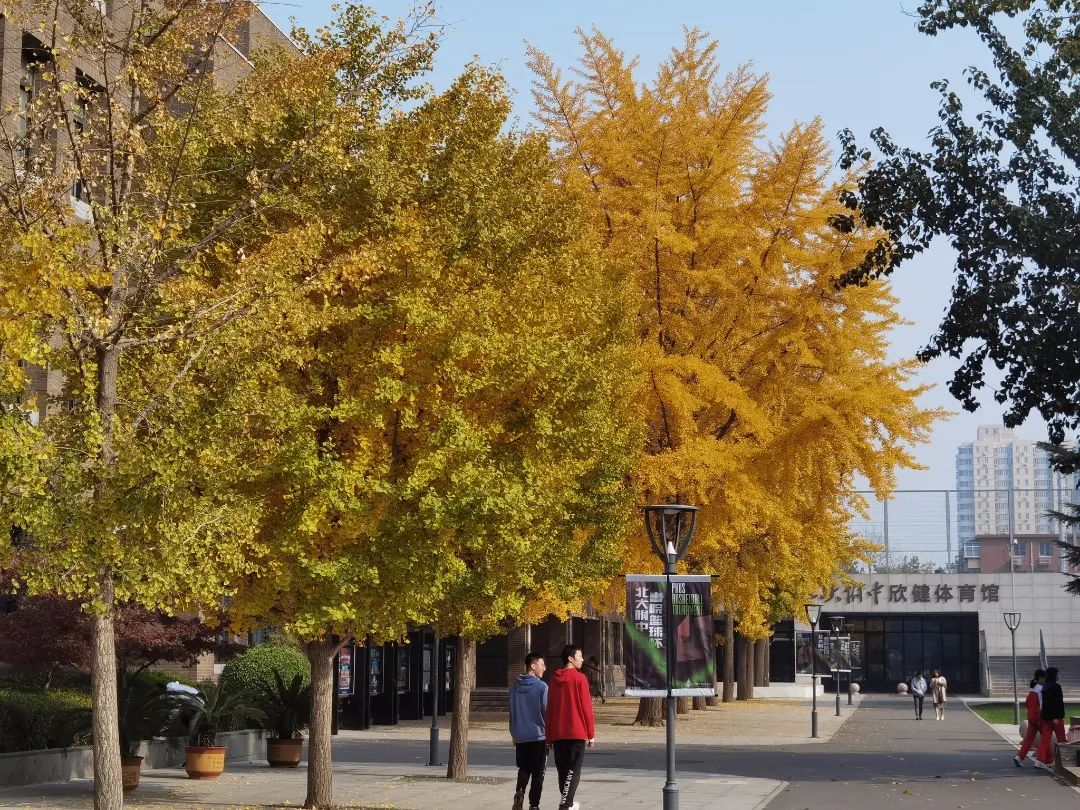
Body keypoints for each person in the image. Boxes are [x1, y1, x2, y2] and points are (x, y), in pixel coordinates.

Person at [545, 644, 596, 810]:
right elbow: (586, 708)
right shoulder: (580, 678)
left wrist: (549, 736)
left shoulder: (554, 679)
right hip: (576, 731)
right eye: (580, 656)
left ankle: (568, 802)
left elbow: (550, 709)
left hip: (558, 733)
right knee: (573, 770)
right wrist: (591, 734)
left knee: (563, 770)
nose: (582, 659)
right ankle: (566, 804)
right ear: (570, 658)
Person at [509, 652, 548, 810]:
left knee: (524, 768)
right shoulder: (542, 687)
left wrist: (513, 732)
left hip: (520, 735)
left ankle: (520, 790)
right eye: (542, 664)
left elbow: (511, 712)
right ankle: (534, 805)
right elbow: (547, 712)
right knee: (538, 772)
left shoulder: (514, 688)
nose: (544, 668)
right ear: (533, 665)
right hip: (539, 735)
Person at [1036, 666, 1067, 771]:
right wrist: (1057, 716)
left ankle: (1040, 760)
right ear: (1054, 675)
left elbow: (1046, 704)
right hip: (1056, 718)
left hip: (1046, 717)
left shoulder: (1045, 686)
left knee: (1045, 740)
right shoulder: (1056, 687)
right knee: (1062, 740)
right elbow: (1058, 704)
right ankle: (1065, 760)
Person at [1015, 670, 1046, 767]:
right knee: (1045, 738)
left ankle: (1019, 757)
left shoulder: (1032, 690)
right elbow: (1041, 705)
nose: (1045, 680)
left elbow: (1027, 703)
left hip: (1031, 717)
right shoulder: (1041, 690)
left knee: (1029, 738)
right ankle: (1040, 760)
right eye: (1045, 678)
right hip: (1039, 717)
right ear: (1041, 678)